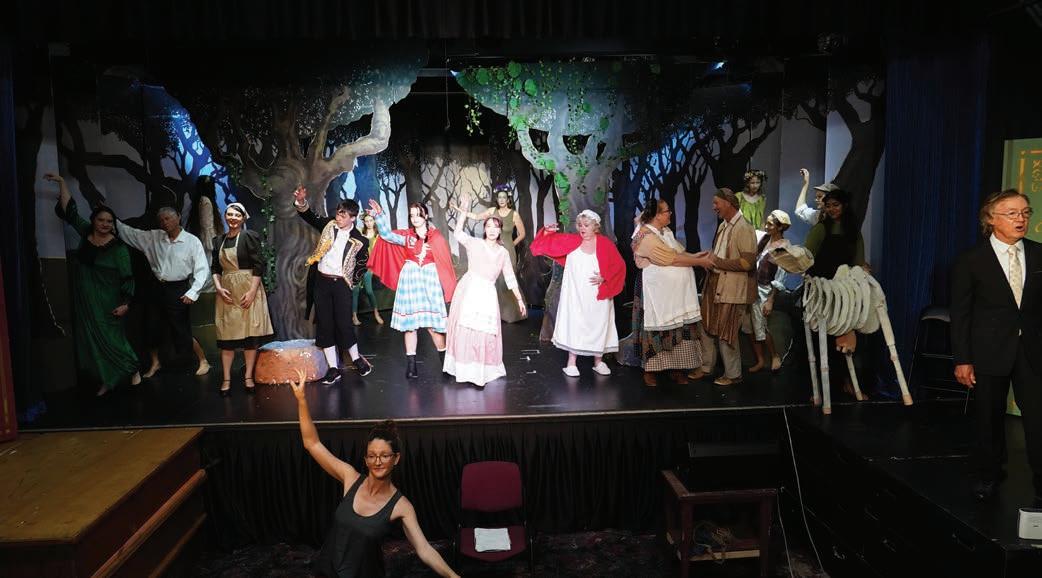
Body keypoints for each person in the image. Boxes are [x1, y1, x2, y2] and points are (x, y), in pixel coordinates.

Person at [290, 370, 460, 578]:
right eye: (371, 456)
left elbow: (424, 549)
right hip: (327, 571)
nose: (377, 461)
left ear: (396, 458)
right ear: (366, 459)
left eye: (384, 456)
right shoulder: (350, 478)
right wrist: (302, 400)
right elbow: (312, 443)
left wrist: (454, 577)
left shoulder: (401, 506)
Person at [951, 189, 1042, 505]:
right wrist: (962, 359)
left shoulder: (1039, 254)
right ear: (990, 218)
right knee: (988, 419)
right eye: (1012, 213)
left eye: (1025, 212)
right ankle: (988, 476)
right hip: (988, 352)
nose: (1021, 219)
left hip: (1033, 352)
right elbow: (961, 314)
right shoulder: (970, 261)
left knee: (1038, 419)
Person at [47, 173, 141, 396]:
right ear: (93, 221)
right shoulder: (86, 233)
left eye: (109, 221)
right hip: (85, 297)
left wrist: (126, 303)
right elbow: (70, 211)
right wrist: (62, 182)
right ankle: (107, 380)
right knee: (92, 340)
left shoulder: (118, 248)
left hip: (108, 299)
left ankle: (132, 367)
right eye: (101, 220)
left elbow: (128, 278)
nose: (105, 224)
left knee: (112, 339)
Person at [115, 204, 210, 377]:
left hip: (178, 288)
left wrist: (193, 292)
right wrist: (112, 219)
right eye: (161, 220)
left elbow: (202, 269)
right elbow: (131, 233)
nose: (164, 222)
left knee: (180, 329)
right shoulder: (153, 237)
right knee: (152, 327)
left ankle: (203, 360)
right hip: (156, 287)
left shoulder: (191, 241)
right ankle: (155, 363)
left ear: (178, 217)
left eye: (168, 218)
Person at [444, 192, 527, 387]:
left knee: (485, 333)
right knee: (467, 330)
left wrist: (519, 300)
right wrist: (464, 211)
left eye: (496, 227)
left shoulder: (503, 252)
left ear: (500, 230)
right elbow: (458, 234)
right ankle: (465, 369)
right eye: (488, 226)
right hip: (470, 290)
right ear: (484, 229)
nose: (492, 230)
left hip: (487, 294)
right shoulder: (475, 243)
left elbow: (510, 278)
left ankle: (481, 371)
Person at [367, 199, 457, 379]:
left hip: (429, 281)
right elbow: (386, 235)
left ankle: (445, 364)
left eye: (418, 215)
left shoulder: (436, 237)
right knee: (410, 326)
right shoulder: (407, 237)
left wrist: (445, 287)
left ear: (426, 216)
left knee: (434, 326)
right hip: (410, 280)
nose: (415, 218)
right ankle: (411, 366)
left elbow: (444, 263)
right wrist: (379, 215)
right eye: (412, 215)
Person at [530, 209, 625, 376]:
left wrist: (605, 276)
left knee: (599, 323)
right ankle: (571, 363)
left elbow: (619, 265)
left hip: (597, 295)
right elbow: (544, 244)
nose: (582, 228)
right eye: (580, 225)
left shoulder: (605, 244)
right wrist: (546, 232)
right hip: (575, 295)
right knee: (575, 323)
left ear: (595, 227)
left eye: (586, 225)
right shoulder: (572, 241)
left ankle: (598, 361)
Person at [294, 186, 373, 384]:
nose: (338, 218)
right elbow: (309, 216)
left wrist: (351, 282)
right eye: (338, 214)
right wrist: (301, 201)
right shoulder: (329, 226)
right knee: (325, 324)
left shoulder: (360, 240)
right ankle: (333, 368)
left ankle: (356, 359)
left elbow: (362, 265)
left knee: (344, 323)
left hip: (341, 285)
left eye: (343, 216)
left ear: (352, 218)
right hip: (322, 282)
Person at [630, 199, 713, 386]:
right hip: (655, 293)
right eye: (667, 211)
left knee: (678, 329)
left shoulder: (665, 231)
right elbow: (669, 259)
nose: (670, 214)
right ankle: (650, 370)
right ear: (657, 215)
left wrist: (695, 256)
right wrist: (699, 262)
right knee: (655, 328)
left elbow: (677, 252)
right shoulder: (645, 236)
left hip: (675, 296)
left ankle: (676, 368)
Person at [689, 188, 757, 386]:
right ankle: (706, 366)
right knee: (706, 325)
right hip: (715, 283)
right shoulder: (723, 226)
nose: (714, 207)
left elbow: (747, 263)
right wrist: (709, 259)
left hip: (732, 289)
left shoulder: (744, 228)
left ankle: (733, 374)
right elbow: (720, 253)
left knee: (727, 331)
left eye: (716, 203)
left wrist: (717, 262)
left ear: (728, 203)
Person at [803, 188, 866, 397]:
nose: (831, 209)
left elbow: (858, 262)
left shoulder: (854, 232)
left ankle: (846, 382)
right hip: (821, 291)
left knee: (846, 336)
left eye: (835, 205)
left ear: (844, 206)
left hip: (845, 291)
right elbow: (807, 256)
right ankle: (819, 388)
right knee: (821, 339)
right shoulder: (820, 229)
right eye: (828, 206)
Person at [211, 202, 274, 395]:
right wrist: (219, 287)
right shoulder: (218, 241)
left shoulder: (249, 236)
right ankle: (226, 378)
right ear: (225, 216)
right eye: (230, 214)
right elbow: (215, 268)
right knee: (227, 339)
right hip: (227, 291)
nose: (233, 218)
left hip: (248, 287)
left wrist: (253, 291)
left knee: (249, 337)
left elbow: (258, 265)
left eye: (237, 215)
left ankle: (248, 377)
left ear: (243, 218)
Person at [455, 184, 528, 322]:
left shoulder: (514, 214)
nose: (502, 200)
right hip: (491, 249)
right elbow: (476, 216)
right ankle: (495, 312)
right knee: (495, 281)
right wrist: (463, 211)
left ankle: (513, 314)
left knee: (507, 282)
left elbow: (522, 233)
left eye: (504, 197)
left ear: (508, 199)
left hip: (507, 251)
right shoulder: (492, 211)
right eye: (499, 197)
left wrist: (511, 245)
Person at [746, 210, 791, 373]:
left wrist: (771, 300)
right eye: (767, 223)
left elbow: (780, 277)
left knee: (761, 325)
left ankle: (774, 355)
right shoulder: (765, 238)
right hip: (751, 284)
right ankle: (760, 360)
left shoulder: (782, 247)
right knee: (748, 325)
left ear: (780, 227)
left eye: (771, 224)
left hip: (764, 289)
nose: (766, 226)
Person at [186, 175, 224, 274]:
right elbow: (207, 225)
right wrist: (212, 242)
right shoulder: (205, 201)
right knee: (209, 264)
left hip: (205, 237)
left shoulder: (202, 200)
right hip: (208, 239)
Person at [353, 211, 385, 326]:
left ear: (374, 221)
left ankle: (376, 313)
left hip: (369, 266)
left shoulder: (378, 235)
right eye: (366, 221)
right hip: (358, 265)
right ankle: (354, 316)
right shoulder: (360, 233)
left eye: (371, 220)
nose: (369, 223)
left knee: (369, 291)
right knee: (355, 290)